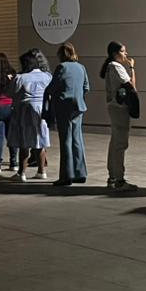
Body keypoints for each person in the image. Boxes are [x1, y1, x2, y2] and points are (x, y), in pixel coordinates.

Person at [48, 42, 90, 186]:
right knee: (77, 139)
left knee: (65, 140)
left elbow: (52, 87)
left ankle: (66, 176)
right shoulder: (81, 67)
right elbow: (86, 87)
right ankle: (80, 173)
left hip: (63, 107)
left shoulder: (62, 67)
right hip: (78, 106)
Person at [8, 48, 52, 181]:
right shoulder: (47, 76)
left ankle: (21, 173)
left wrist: (11, 80)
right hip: (41, 112)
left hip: (25, 111)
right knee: (40, 142)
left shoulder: (21, 78)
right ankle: (41, 171)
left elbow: (10, 92)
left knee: (24, 142)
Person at [101, 41, 138, 191]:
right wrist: (132, 68)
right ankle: (119, 180)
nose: (126, 54)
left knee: (115, 142)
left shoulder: (110, 67)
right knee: (120, 144)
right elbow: (132, 86)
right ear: (116, 54)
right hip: (120, 108)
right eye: (123, 51)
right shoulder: (116, 67)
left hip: (113, 107)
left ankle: (112, 177)